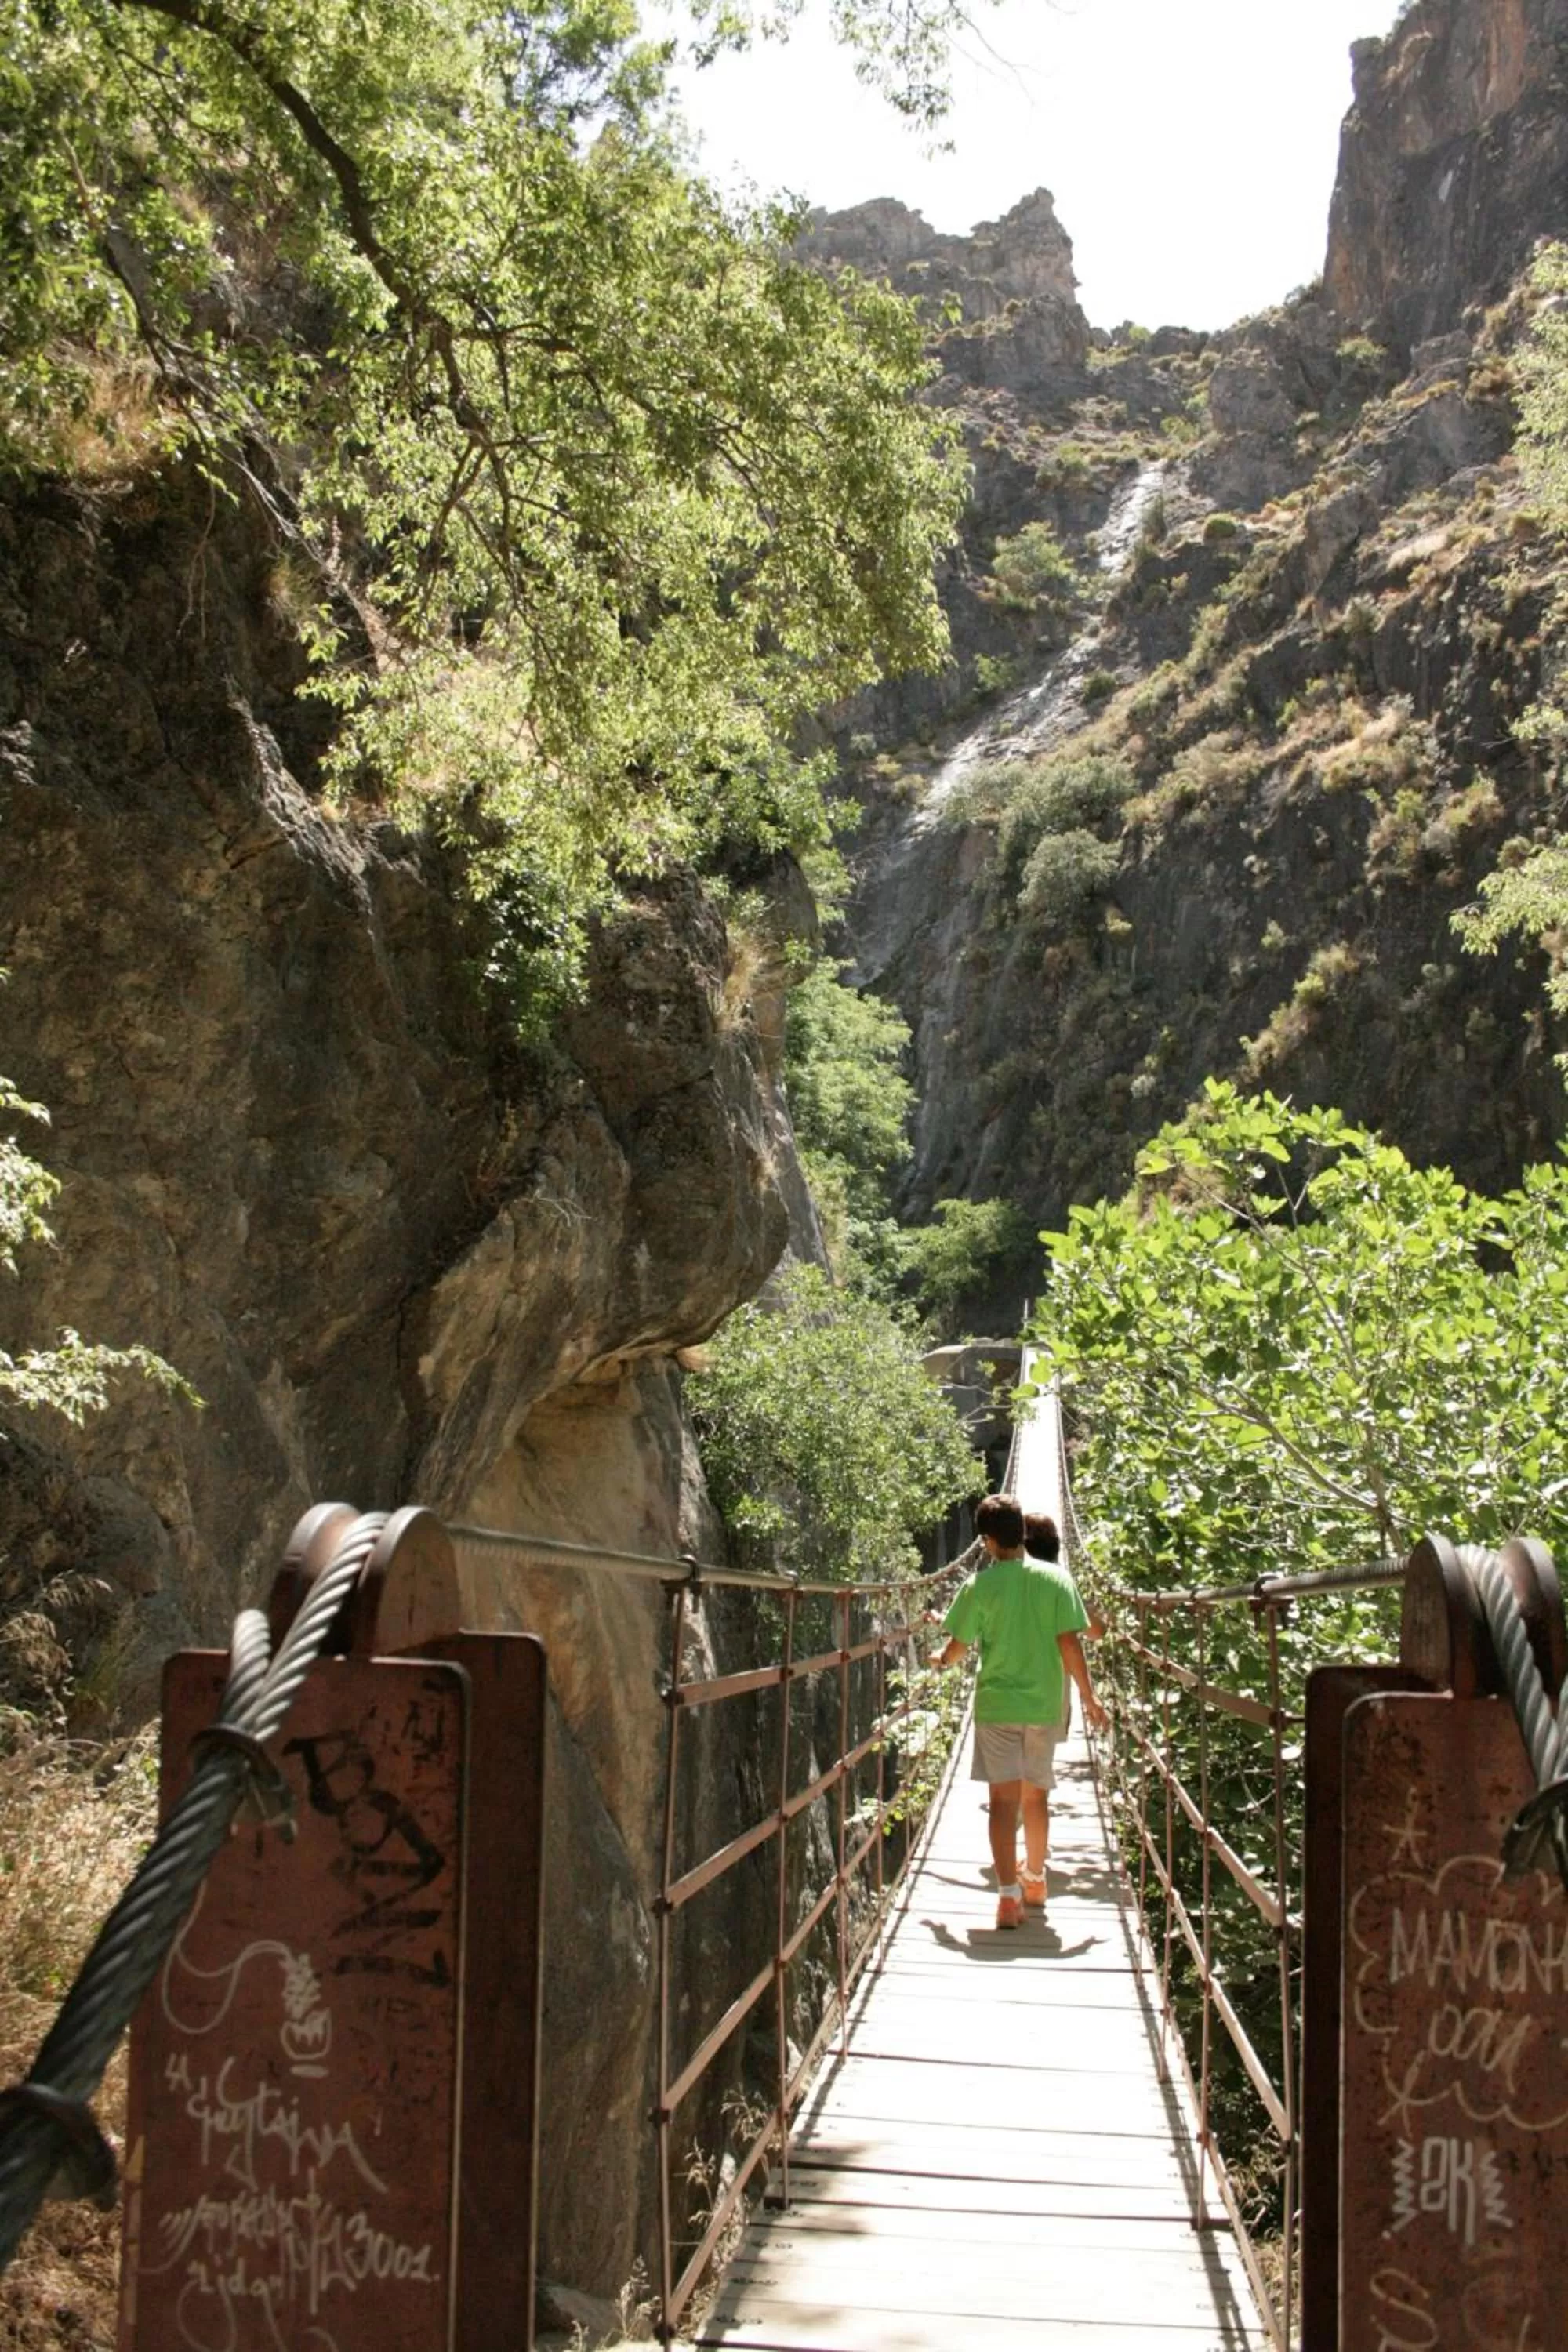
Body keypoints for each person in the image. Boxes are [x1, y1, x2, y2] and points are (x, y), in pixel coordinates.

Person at [931, 1493, 1106, 1928]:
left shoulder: (979, 1586)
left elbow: (958, 1648)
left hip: (997, 1707)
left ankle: (1008, 1896)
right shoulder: (1057, 1581)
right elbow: (1070, 1643)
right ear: (1022, 1534)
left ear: (988, 1541)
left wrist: (941, 1660)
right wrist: (1088, 1697)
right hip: (1045, 1706)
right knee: (1037, 1797)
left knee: (1002, 1802)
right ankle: (1035, 1878)